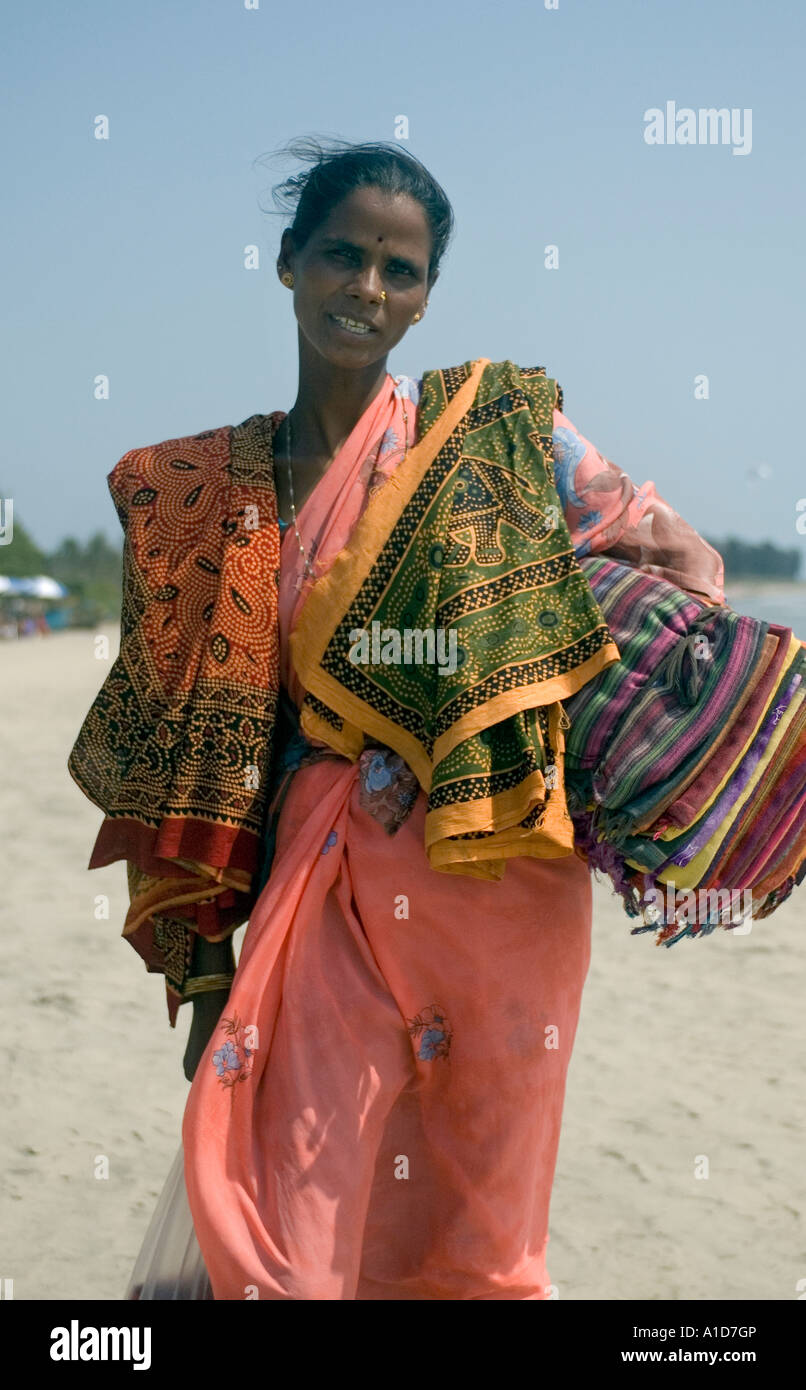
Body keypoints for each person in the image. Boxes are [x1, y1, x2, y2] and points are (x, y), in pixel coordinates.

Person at [68, 140, 725, 1301]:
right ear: (285, 266)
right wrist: (212, 973)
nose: (365, 289)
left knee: (477, 1232)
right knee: (282, 1224)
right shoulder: (211, 493)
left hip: (502, 887)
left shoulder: (495, 434)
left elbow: (678, 571)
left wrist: (550, 683)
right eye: (340, 256)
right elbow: (184, 747)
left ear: (425, 297)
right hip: (318, 888)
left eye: (398, 270)